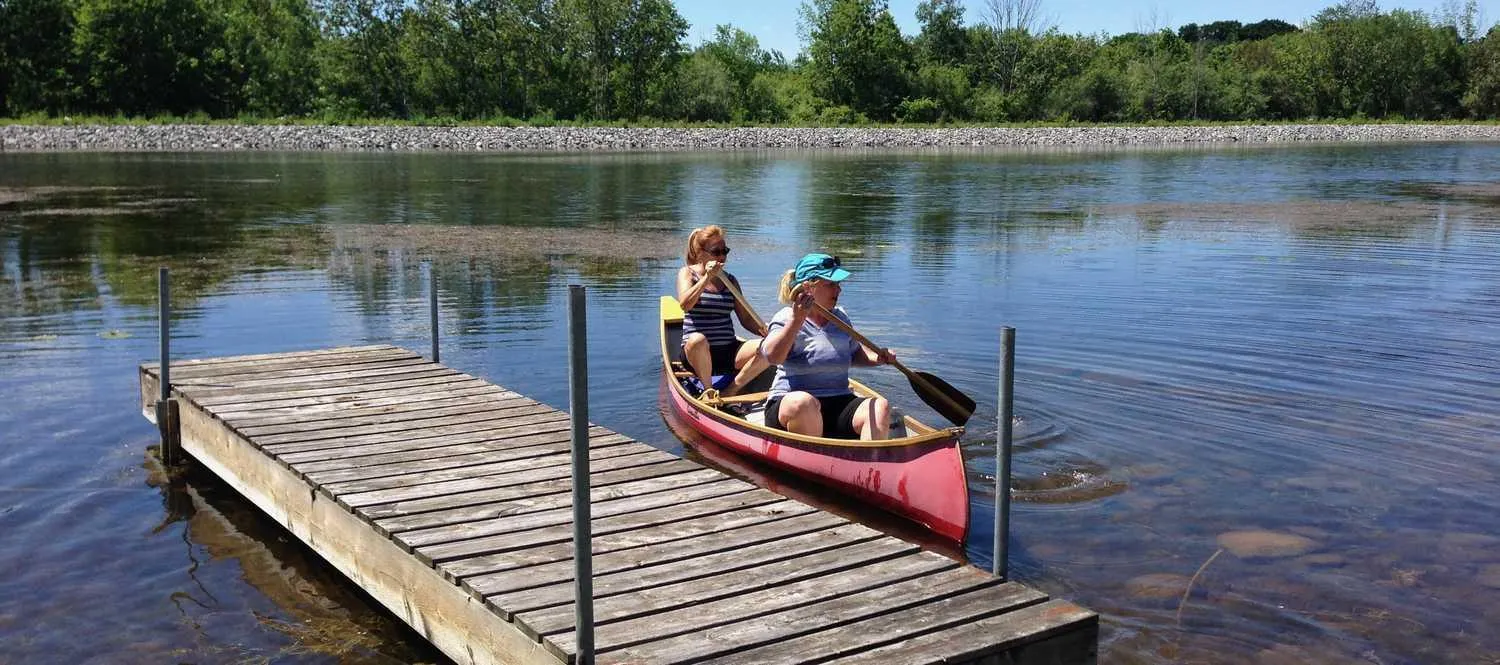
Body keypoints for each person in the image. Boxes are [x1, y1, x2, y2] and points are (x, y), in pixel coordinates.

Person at [759, 253, 896, 440]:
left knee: (880, 406)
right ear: (808, 287)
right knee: (803, 403)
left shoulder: (840, 317)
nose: (838, 290)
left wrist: (879, 358)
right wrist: (797, 320)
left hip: (838, 400)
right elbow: (773, 357)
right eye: (831, 284)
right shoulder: (785, 317)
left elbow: (855, 354)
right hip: (793, 405)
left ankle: (871, 457)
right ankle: (814, 455)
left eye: (838, 284)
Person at [676, 225, 770, 402]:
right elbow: (685, 304)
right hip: (696, 354)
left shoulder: (730, 280)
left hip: (728, 351)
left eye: (724, 251)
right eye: (716, 252)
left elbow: (745, 319)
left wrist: (765, 331)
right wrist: (707, 278)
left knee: (770, 346)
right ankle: (709, 391)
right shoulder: (687, 273)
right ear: (700, 253)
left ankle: (731, 390)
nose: (721, 257)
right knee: (697, 340)